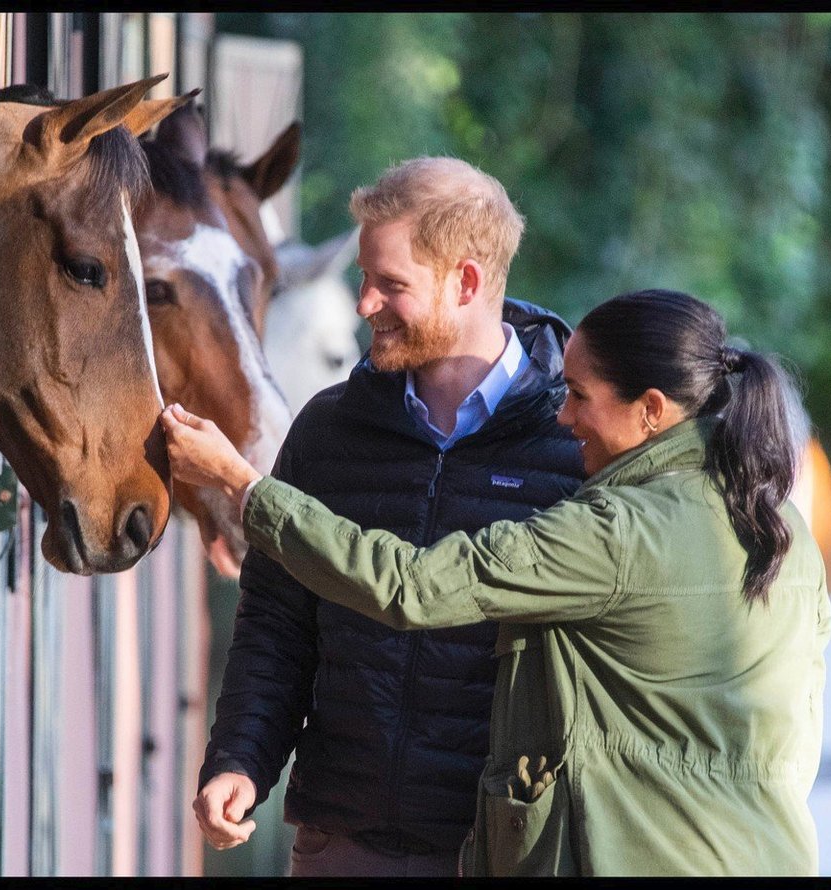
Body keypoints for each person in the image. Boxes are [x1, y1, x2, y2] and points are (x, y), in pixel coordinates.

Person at [161, 288, 831, 877]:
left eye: (579, 396)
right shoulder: (786, 532)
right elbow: (798, 734)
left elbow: (412, 585)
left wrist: (243, 485)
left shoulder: (618, 531)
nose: (563, 418)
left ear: (651, 409)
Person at [188, 157, 584, 877]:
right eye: (365, 277)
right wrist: (241, 761)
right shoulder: (328, 430)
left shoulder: (572, 451)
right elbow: (277, 624)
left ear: (466, 281)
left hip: (495, 852)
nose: (364, 302)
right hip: (338, 842)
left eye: (390, 284)